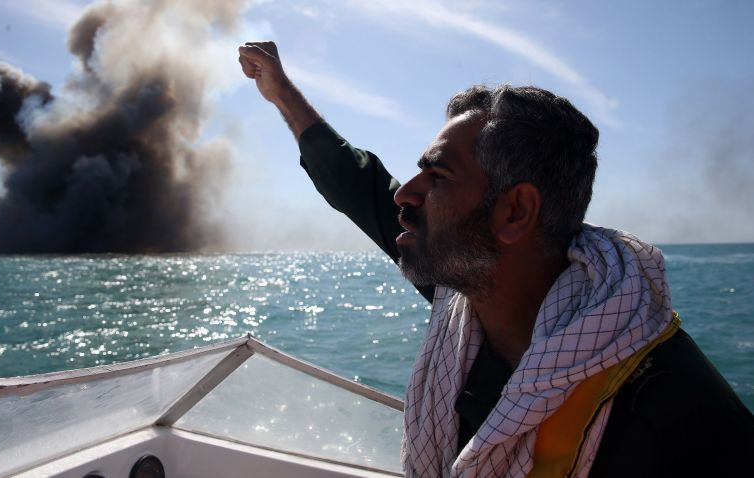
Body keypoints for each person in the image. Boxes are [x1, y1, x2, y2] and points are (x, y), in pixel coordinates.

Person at [238, 41, 754, 478]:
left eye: (437, 177)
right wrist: (283, 94)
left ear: (514, 213)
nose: (405, 196)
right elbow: (362, 187)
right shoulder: (469, 293)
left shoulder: (683, 417)